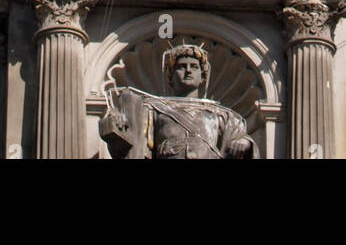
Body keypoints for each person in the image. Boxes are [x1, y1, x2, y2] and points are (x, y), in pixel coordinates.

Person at [100, 43, 258, 159]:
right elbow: (131, 144)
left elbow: (240, 137)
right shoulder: (152, 109)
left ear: (203, 76)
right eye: (182, 66)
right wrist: (118, 121)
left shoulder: (221, 114)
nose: (188, 70)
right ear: (171, 75)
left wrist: (245, 143)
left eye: (194, 67)